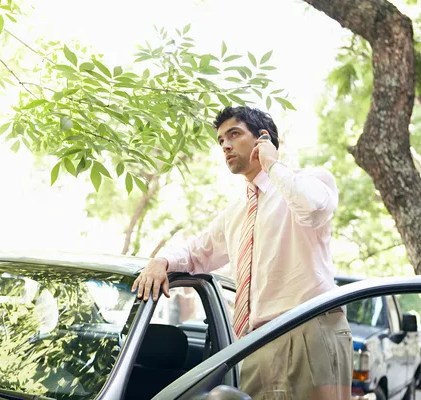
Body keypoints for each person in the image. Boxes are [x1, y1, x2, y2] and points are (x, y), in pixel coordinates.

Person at [131, 106, 352, 399]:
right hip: (256, 343)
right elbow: (198, 252)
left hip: (309, 330)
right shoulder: (236, 212)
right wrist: (161, 261)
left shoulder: (310, 180)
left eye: (234, 134)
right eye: (221, 140)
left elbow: (313, 209)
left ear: (263, 138)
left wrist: (272, 164)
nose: (225, 145)